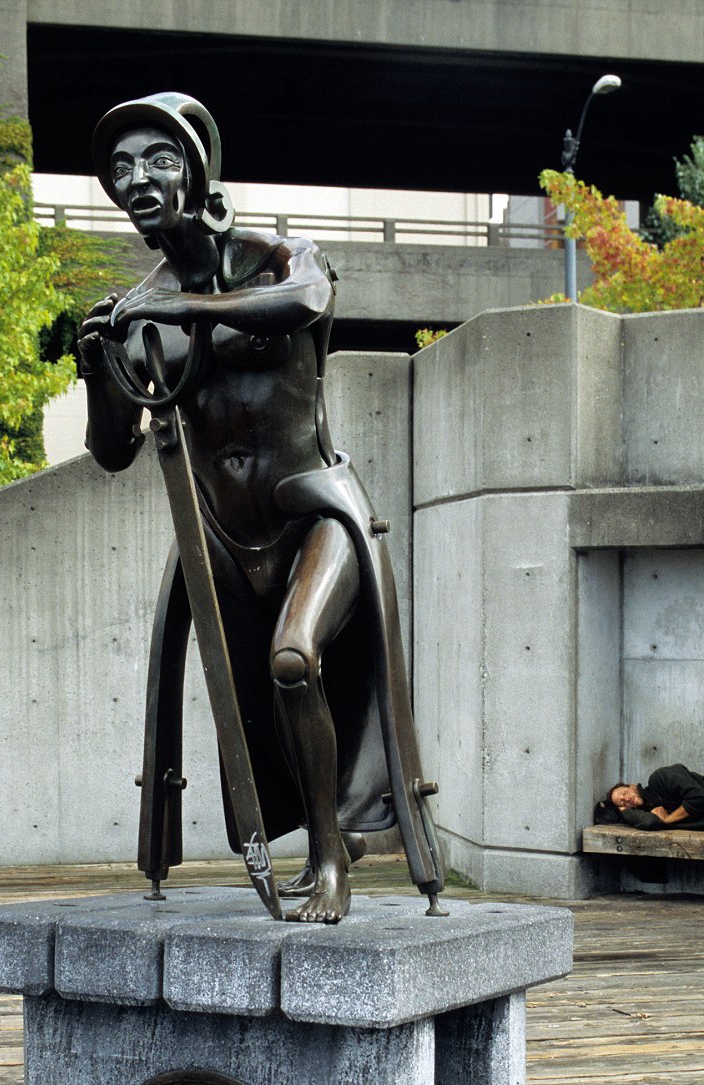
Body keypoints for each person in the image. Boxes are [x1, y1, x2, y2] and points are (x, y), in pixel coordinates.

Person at [78, 92, 442, 922]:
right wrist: (98, 364)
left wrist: (184, 308)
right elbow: (112, 450)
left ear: (197, 169)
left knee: (294, 658)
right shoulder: (141, 312)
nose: (139, 178)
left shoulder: (279, 257)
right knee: (258, 698)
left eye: (160, 159)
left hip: (312, 511)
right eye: (122, 168)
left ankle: (330, 859)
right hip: (221, 535)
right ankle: (319, 838)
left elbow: (307, 302)